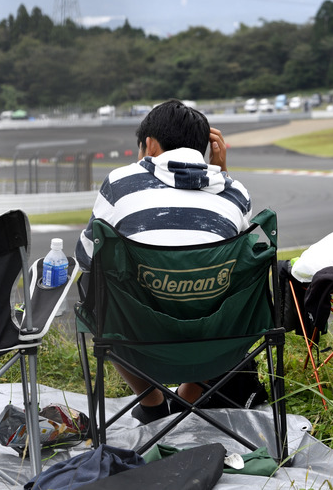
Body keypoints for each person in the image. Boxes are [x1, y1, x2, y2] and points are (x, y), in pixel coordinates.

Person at [75, 99, 252, 424]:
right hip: (214, 337)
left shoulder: (120, 183)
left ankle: (152, 401)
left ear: (150, 145)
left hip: (141, 337)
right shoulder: (235, 192)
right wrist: (223, 172)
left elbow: (85, 257)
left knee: (91, 284)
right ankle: (187, 400)